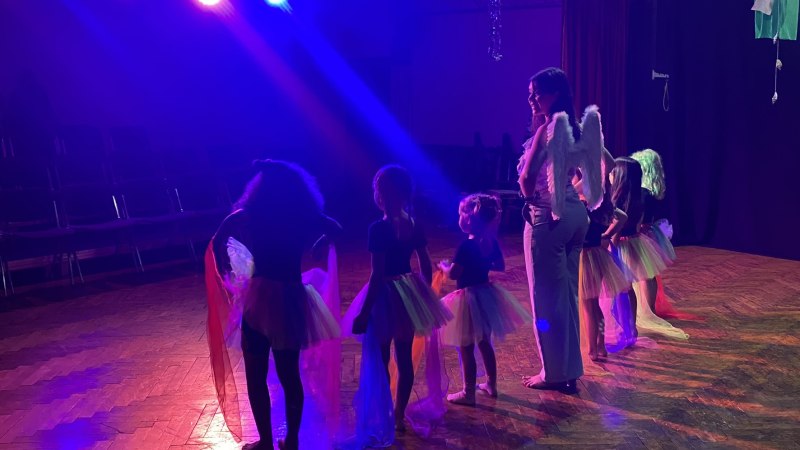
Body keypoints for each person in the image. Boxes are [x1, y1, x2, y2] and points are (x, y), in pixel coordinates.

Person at [207, 159, 341, 450]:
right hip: (290, 298)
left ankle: (267, 442)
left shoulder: (252, 214)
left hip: (259, 299)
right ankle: (291, 440)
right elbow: (336, 229)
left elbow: (218, 239)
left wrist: (226, 277)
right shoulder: (303, 214)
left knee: (256, 375)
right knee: (290, 375)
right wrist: (321, 243)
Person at [518, 67, 605, 393]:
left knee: (545, 300)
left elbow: (527, 178)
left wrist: (529, 199)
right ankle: (569, 369)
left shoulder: (548, 128)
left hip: (548, 216)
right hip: (575, 216)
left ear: (554, 93)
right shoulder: (575, 127)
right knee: (566, 297)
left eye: (537, 93)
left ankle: (552, 373)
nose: (531, 99)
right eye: (530, 93)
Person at [438, 193, 531, 405]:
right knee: (485, 342)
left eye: (461, 214)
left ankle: (468, 392)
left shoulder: (465, 246)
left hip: (467, 299)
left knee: (465, 345)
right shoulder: (490, 243)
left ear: (470, 219)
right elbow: (499, 266)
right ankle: (491, 384)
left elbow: (454, 274)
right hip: (485, 295)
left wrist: (444, 268)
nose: (459, 218)